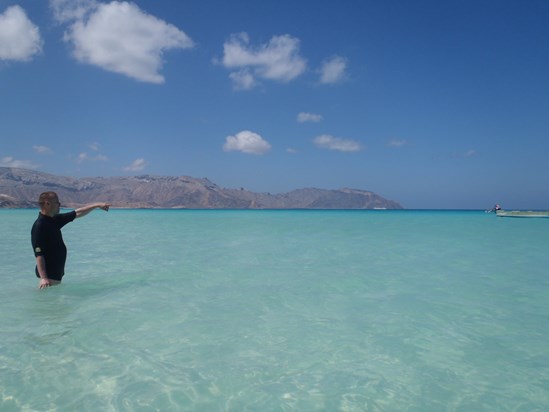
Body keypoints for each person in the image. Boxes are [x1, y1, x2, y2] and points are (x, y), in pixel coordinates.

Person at [31, 191, 110, 289]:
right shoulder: (39, 226)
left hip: (54, 276)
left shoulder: (54, 220)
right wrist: (44, 278)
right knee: (47, 303)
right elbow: (39, 254)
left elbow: (77, 213)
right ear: (47, 203)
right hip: (48, 279)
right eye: (57, 203)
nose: (60, 205)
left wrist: (96, 205)